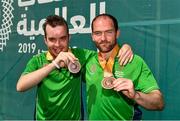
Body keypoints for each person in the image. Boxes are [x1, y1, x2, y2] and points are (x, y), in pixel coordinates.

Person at [16, 15, 133, 120]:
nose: (57, 44)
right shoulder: (38, 60)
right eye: (52, 39)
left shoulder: (80, 55)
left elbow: (106, 53)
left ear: (69, 37)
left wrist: (124, 47)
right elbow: (20, 86)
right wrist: (54, 64)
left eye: (62, 38)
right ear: (45, 40)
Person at [84, 13, 164, 120]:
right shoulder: (87, 59)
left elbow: (159, 103)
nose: (103, 38)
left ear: (117, 33)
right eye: (98, 33)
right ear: (92, 36)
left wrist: (135, 95)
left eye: (109, 32)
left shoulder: (134, 61)